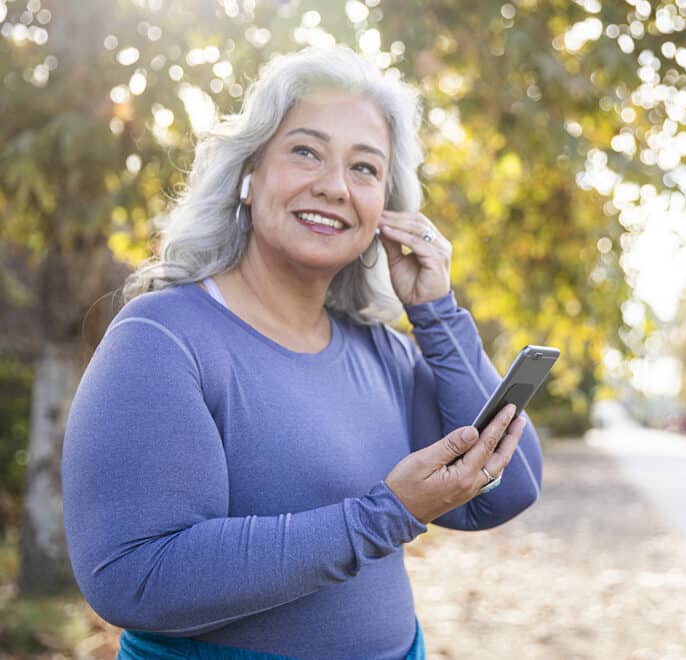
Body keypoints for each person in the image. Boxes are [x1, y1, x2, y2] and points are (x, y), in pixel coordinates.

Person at [62, 46, 543, 660]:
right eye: (305, 151)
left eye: (365, 168)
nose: (334, 186)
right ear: (249, 173)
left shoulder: (381, 352)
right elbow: (136, 577)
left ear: (386, 212)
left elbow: (508, 489)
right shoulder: (162, 338)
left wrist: (437, 313)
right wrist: (383, 516)